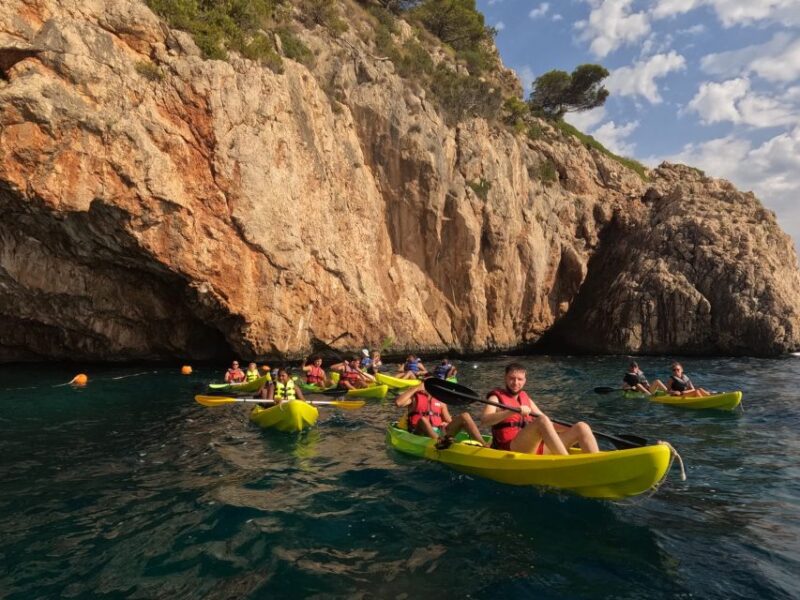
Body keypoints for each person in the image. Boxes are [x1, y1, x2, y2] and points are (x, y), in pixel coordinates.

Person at [480, 363, 599, 455]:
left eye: (519, 379)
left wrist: (569, 428)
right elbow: (485, 420)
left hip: (534, 446)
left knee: (582, 427)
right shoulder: (495, 398)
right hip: (511, 447)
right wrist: (512, 410)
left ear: (524, 381)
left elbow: (548, 424)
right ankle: (566, 462)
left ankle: (596, 461)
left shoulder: (526, 399)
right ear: (505, 378)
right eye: (512, 378)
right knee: (541, 420)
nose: (515, 382)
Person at [395, 382, 487, 449]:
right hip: (419, 432)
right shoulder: (414, 397)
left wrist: (445, 423)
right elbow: (398, 403)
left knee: (465, 416)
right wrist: (416, 388)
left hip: (439, 432)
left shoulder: (440, 401)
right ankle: (439, 443)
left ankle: (484, 445)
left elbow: (449, 421)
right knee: (423, 419)